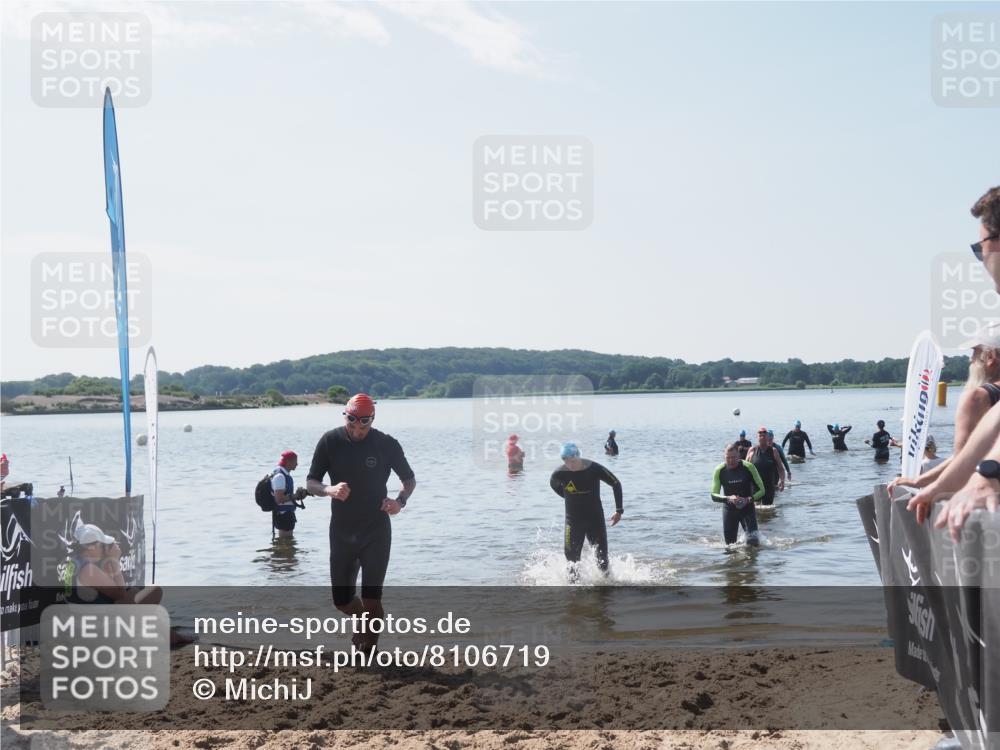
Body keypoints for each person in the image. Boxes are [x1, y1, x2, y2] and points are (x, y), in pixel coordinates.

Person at [907, 186, 1000, 538]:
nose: (980, 259)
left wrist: (988, 475)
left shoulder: (978, 395)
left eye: (981, 247)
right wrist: (936, 484)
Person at [306, 393, 416, 653]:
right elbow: (311, 483)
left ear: (372, 419)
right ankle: (363, 623)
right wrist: (329, 490)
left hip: (375, 530)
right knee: (342, 601)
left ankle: (369, 651)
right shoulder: (330, 441)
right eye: (351, 423)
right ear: (345, 416)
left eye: (363, 425)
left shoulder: (386, 444)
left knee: (371, 598)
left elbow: (409, 480)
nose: (357, 430)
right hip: (342, 531)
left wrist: (399, 502)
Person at [893, 322, 1000, 491]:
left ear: (991, 357)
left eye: (975, 352)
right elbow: (968, 454)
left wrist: (926, 488)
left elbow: (963, 463)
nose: (970, 359)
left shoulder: (978, 398)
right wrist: (920, 480)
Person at [63, 523, 191, 645]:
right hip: (98, 633)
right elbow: (121, 594)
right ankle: (171, 637)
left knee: (134, 593)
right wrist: (114, 561)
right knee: (154, 591)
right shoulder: (89, 570)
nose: (104, 549)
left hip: (81, 627)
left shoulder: (73, 563)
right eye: (102, 545)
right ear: (92, 547)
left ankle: (170, 635)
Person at [549, 442, 622, 578]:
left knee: (602, 561)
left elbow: (616, 483)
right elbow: (554, 486)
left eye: (572, 461)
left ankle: (606, 590)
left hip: (595, 519)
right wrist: (569, 497)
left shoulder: (594, 468)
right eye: (565, 461)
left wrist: (619, 510)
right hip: (573, 521)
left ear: (578, 457)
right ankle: (574, 593)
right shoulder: (559, 474)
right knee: (572, 562)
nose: (569, 464)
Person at [711, 443, 766, 546]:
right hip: (729, 510)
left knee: (753, 544)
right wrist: (727, 498)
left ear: (739, 456)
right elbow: (713, 495)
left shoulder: (748, 467)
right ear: (724, 457)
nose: (731, 461)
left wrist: (748, 499)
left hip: (747, 508)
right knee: (730, 547)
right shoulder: (719, 470)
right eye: (728, 458)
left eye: (733, 457)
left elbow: (762, 490)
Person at [271, 450, 308, 538]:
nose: (297, 464)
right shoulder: (280, 476)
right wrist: (296, 495)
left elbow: (286, 496)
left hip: (286, 513)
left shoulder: (284, 474)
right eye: (295, 461)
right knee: (286, 541)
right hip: (284, 515)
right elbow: (279, 499)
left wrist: (301, 495)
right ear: (288, 462)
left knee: (287, 544)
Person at [745, 427, 785, 506]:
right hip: (755, 487)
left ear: (767, 437)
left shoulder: (773, 451)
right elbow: (745, 469)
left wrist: (782, 481)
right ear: (757, 438)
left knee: (768, 510)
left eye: (764, 435)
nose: (762, 437)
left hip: (769, 487)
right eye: (760, 436)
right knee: (756, 509)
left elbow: (780, 468)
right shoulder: (752, 450)